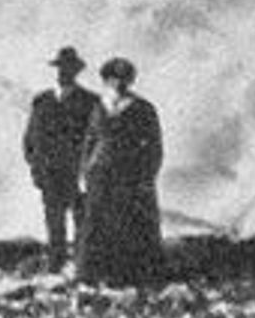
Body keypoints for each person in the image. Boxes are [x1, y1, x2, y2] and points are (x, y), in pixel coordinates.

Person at [75, 57, 167, 284]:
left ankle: (132, 273)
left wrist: (148, 174)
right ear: (106, 80)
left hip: (130, 173)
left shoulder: (143, 108)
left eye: (124, 79)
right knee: (97, 222)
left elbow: (154, 145)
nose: (119, 84)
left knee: (130, 221)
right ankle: (92, 273)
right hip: (100, 172)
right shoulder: (99, 107)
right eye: (114, 79)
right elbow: (90, 140)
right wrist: (84, 169)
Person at [23, 45, 94, 271]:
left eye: (69, 68)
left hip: (77, 172)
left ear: (76, 71)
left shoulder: (89, 101)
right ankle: (56, 263)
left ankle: (82, 264)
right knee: (54, 221)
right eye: (61, 68)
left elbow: (94, 139)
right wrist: (35, 167)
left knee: (81, 219)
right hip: (49, 171)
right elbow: (30, 139)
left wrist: (88, 170)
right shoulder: (42, 101)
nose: (64, 73)